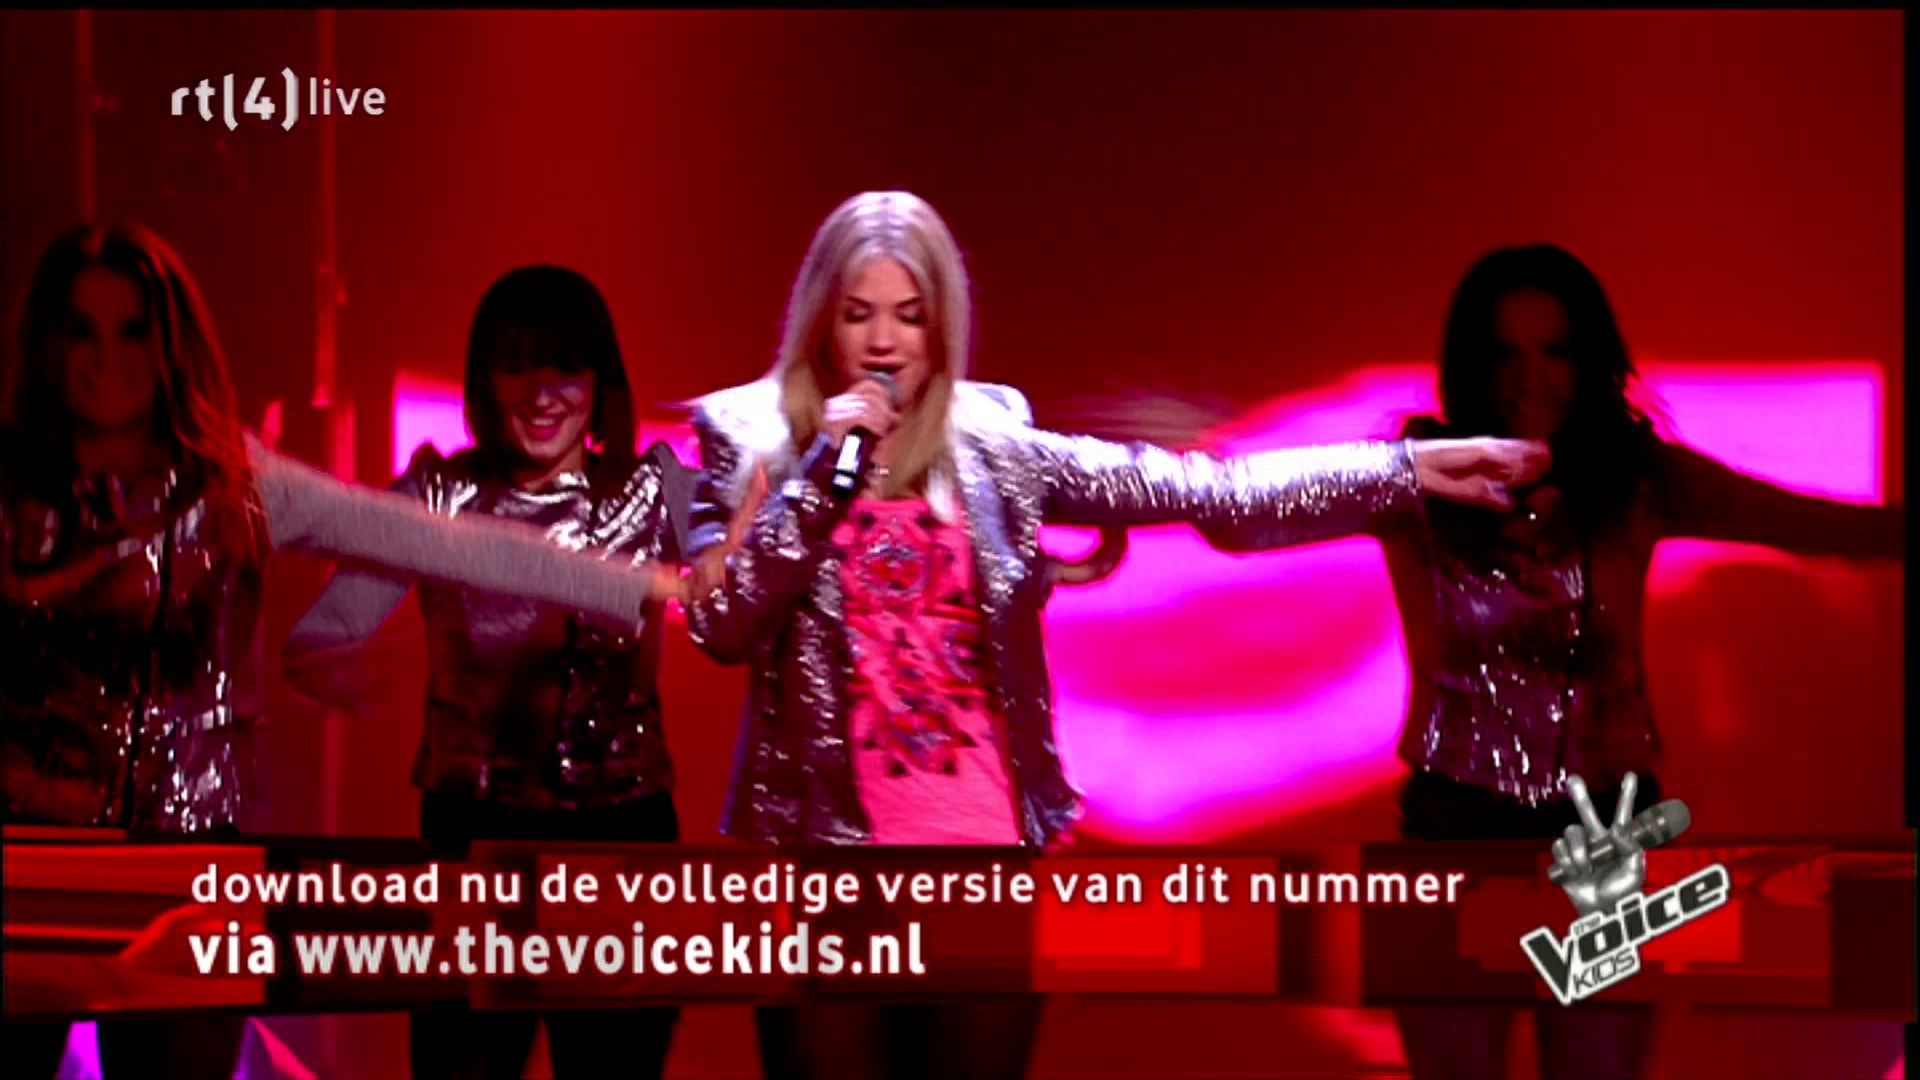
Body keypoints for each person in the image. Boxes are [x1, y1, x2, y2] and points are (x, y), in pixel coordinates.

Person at [682, 190, 1549, 1078]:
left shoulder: (995, 447)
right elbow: (721, 622)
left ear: (942, 328)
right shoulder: (750, 442)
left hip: (988, 868)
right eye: (857, 313)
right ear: (819, 318)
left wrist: (1402, 469)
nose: (883, 342)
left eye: (910, 315)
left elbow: (1209, 491)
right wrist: (821, 481)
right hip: (826, 875)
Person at [1204, 242, 1904, 1079]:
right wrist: (1400, 467)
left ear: (1589, 361)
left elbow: (1817, 525)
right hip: (1452, 831)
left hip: (1606, 833)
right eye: (1504, 354)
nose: (1528, 379)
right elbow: (1236, 516)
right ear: (1470, 367)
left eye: (1554, 351)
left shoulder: (1639, 480)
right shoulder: (1417, 483)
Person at [0, 225, 682, 1080]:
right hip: (29, 861)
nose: (107, 359)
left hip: (190, 865)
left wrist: (643, 583)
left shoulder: (235, 481)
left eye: (133, 330)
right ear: (47, 343)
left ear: (170, 344)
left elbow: (456, 546)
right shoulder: (11, 487)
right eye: (82, 330)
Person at [282, 265, 714, 1079]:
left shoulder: (656, 490)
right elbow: (319, 636)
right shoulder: (439, 494)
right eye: (517, 364)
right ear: (484, 380)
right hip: (473, 841)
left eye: (565, 366)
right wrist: (361, 667)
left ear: (600, 381)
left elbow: (757, 582)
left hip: (622, 843)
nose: (543, 393)